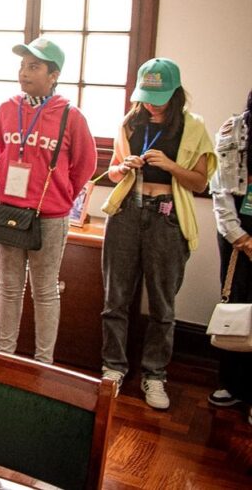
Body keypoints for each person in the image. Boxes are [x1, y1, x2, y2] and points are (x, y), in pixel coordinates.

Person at [100, 58, 215, 410]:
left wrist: (170, 165)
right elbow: (113, 173)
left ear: (176, 92)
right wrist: (124, 166)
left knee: (163, 304)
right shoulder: (131, 123)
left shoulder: (193, 127)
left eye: (160, 95)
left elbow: (199, 182)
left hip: (167, 217)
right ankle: (113, 368)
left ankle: (154, 375)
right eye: (147, 95)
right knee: (115, 299)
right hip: (126, 213)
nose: (152, 103)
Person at [0, 38, 96, 364]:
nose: (24, 72)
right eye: (22, 65)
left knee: (45, 290)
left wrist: (59, 195)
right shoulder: (7, 109)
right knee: (8, 287)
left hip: (49, 216)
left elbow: (85, 165)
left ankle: (43, 363)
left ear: (54, 74)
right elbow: (0, 151)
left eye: (34, 66)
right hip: (9, 210)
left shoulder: (70, 115)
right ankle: (6, 355)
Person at [209, 87, 252, 425]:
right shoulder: (234, 130)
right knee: (233, 303)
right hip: (237, 233)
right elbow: (220, 190)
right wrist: (241, 238)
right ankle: (232, 383)